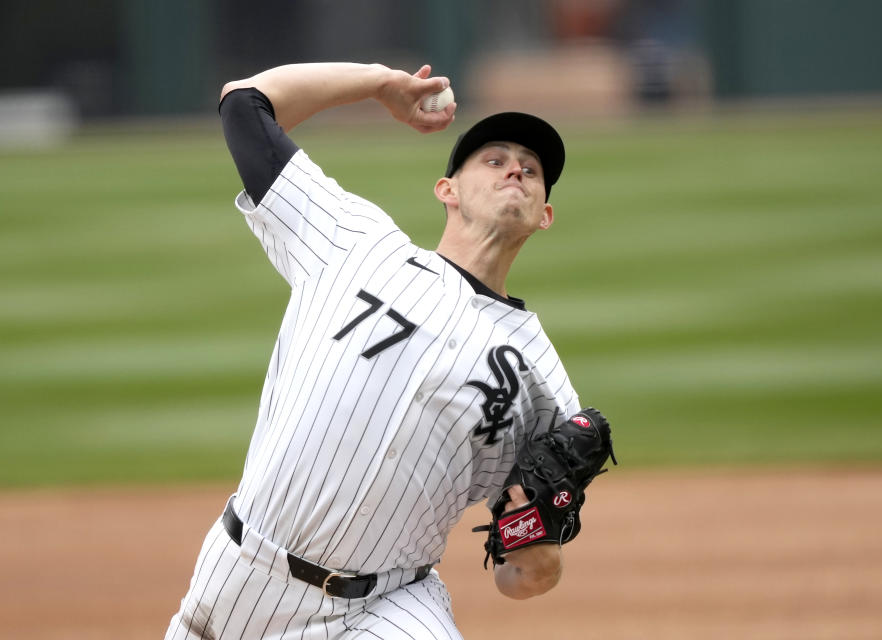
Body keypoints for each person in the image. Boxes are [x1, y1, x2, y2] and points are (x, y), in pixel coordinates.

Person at [165, 62, 583, 640]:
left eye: (532, 170)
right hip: (242, 575)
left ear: (544, 216)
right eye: (494, 160)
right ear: (448, 190)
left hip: (383, 607)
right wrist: (380, 83)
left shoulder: (543, 384)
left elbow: (522, 577)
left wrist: (535, 551)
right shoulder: (355, 242)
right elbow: (244, 104)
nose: (516, 168)